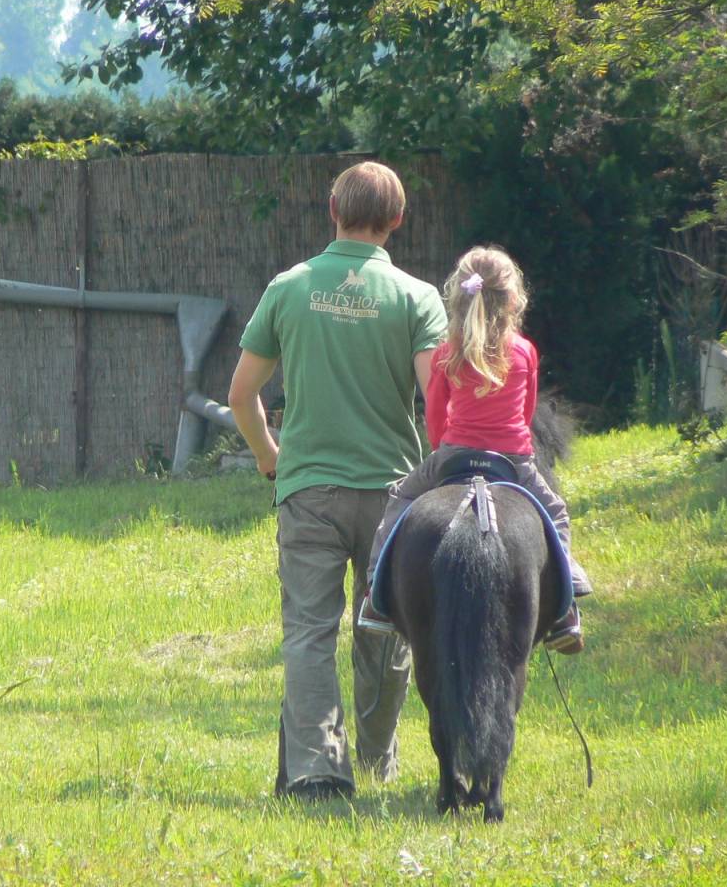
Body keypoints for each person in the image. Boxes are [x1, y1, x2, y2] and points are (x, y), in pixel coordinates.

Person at [227, 161, 448, 801]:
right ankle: (379, 758)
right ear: (398, 220)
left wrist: (271, 456)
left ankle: (319, 771)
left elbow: (243, 394)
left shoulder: (289, 288)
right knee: (385, 629)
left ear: (332, 210)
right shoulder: (417, 298)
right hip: (393, 497)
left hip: (309, 491)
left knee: (308, 631)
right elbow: (437, 405)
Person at [356, 244, 592, 653]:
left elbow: (434, 418)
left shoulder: (448, 352)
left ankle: (376, 595)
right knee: (554, 512)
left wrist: (442, 448)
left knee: (399, 499)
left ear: (459, 296)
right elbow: (527, 409)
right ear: (514, 298)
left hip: (454, 455)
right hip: (514, 461)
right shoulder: (524, 352)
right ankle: (566, 605)